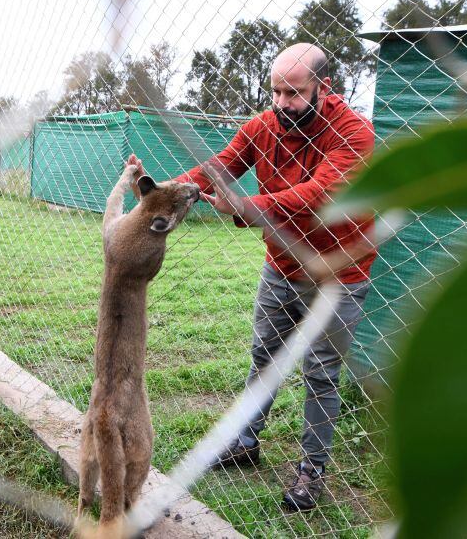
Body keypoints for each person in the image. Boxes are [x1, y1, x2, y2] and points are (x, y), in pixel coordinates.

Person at [127, 43, 376, 511]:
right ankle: (245, 441)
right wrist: (163, 192)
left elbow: (319, 193)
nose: (282, 102)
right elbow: (220, 166)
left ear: (324, 88)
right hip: (281, 266)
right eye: (276, 91)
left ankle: (311, 468)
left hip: (338, 272)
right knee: (264, 357)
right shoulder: (264, 125)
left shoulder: (354, 134)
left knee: (321, 373)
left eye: (295, 92)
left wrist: (245, 207)